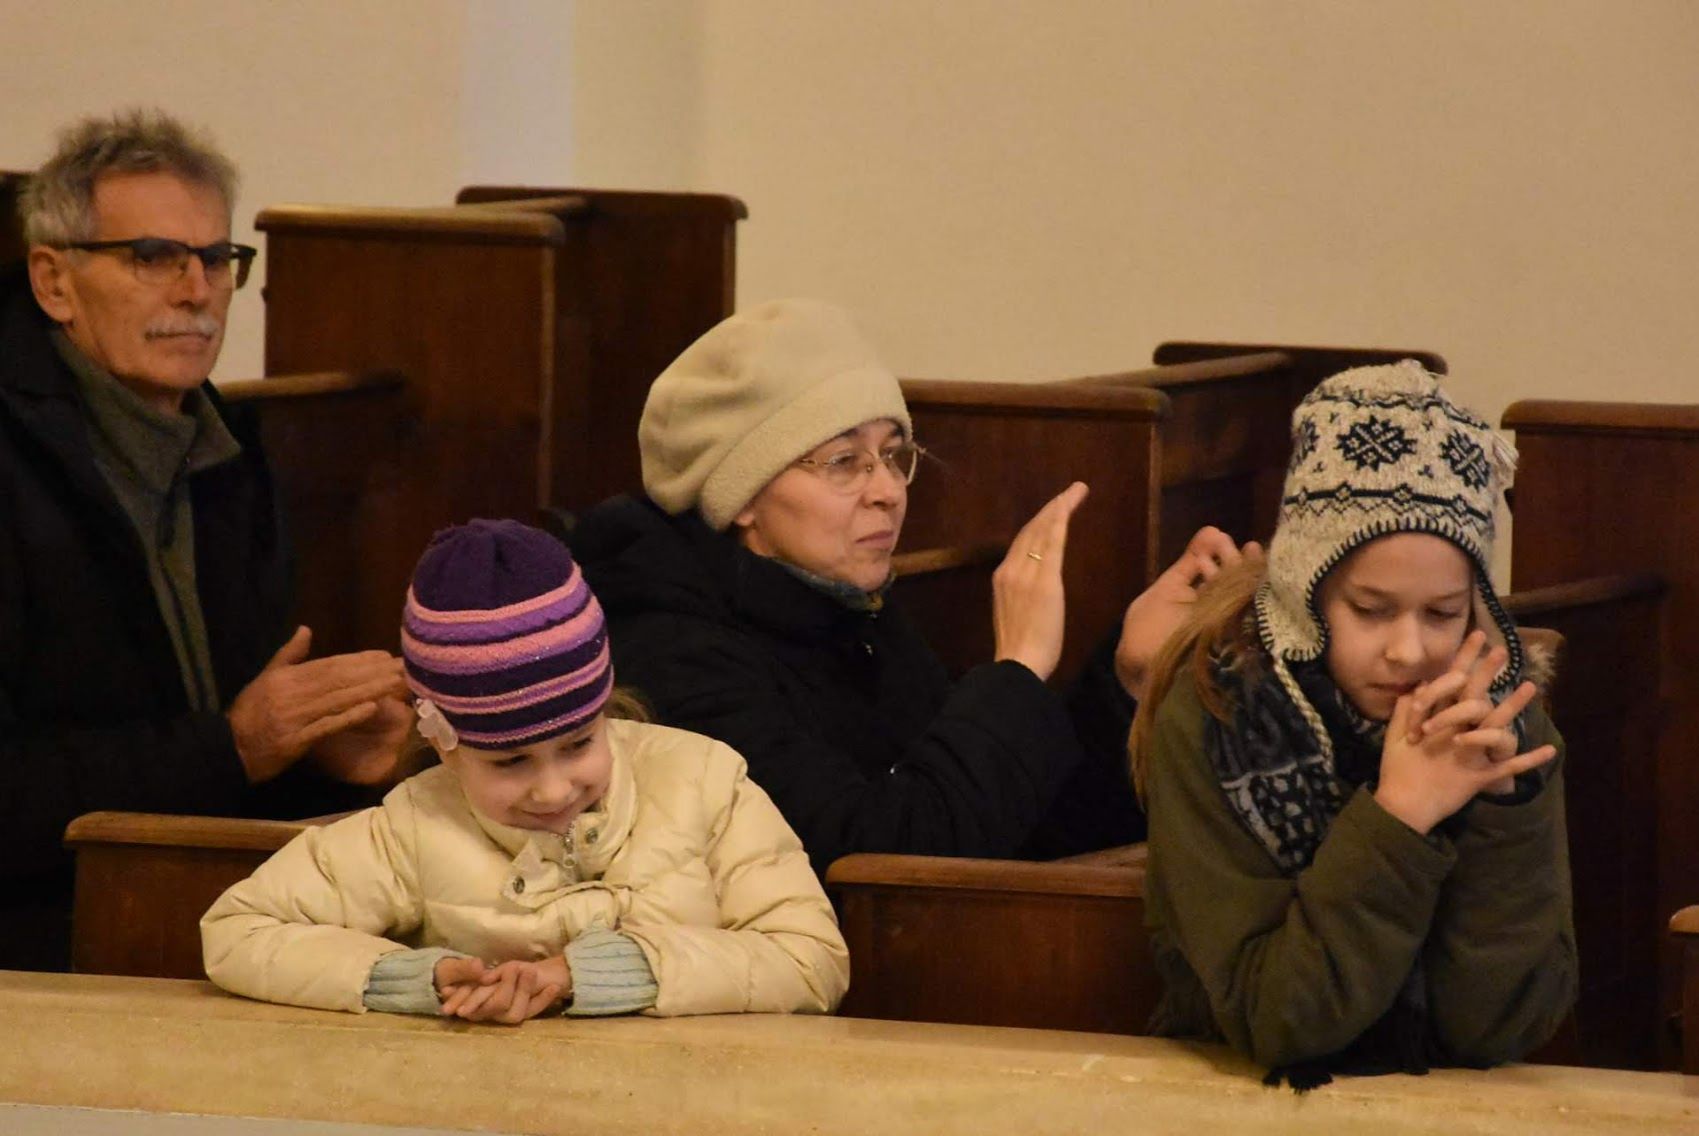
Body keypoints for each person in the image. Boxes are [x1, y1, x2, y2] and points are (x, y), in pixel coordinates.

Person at [570, 298, 1248, 873]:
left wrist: (1130, 679)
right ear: (740, 497)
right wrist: (1016, 669)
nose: (888, 491)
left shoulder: (844, 608)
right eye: (844, 461)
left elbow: (1023, 832)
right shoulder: (671, 648)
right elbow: (885, 869)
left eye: (894, 455)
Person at [1, 109, 411, 970]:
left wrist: (321, 752)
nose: (196, 291)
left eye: (216, 258)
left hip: (200, 914)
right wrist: (234, 748)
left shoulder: (228, 449)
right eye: (153, 257)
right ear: (54, 282)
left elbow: (231, 737)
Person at [201, 520, 849, 1022]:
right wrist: (416, 978)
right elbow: (238, 930)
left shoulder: (704, 782)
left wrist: (598, 973)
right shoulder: (411, 828)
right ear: (443, 745)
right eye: (510, 761)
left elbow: (811, 957)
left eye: (578, 744)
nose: (553, 787)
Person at [1130, 360, 1576, 1087]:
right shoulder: (1216, 716)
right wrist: (1399, 817)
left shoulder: (1502, 727)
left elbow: (1497, 1028)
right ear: (1304, 593)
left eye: (1442, 613)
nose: (1409, 651)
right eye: (1370, 610)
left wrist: (1501, 814)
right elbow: (1282, 1020)